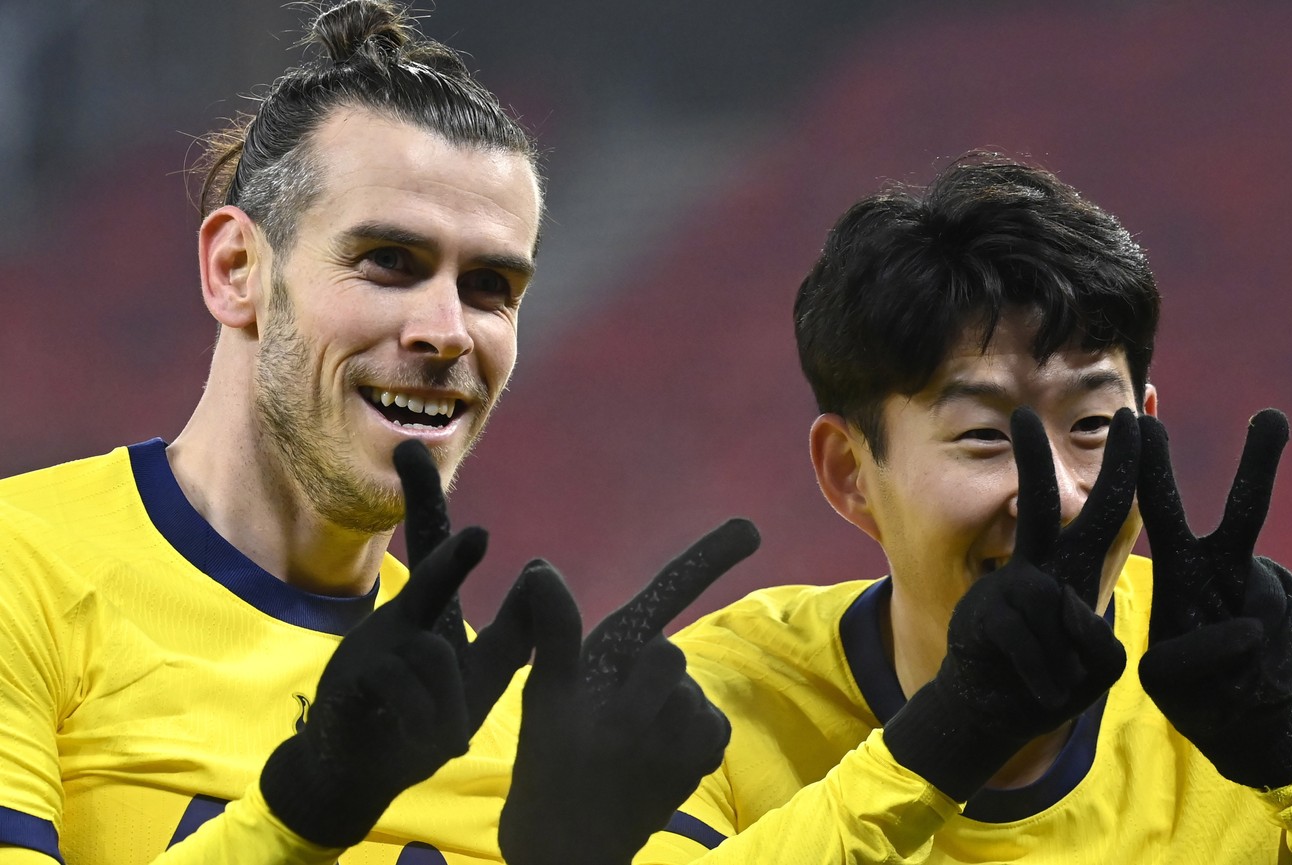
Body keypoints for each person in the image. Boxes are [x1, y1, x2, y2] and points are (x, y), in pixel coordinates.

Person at [0, 2, 755, 863]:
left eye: (490, 286)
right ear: (237, 270)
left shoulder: (506, 726)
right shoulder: (21, 570)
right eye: (389, 262)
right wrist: (305, 810)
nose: (448, 330)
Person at [636, 154, 1292, 862]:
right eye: (985, 437)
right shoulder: (703, 705)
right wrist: (945, 740)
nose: (1056, 494)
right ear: (849, 472)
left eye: (1095, 424)